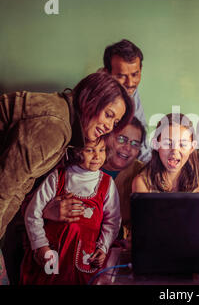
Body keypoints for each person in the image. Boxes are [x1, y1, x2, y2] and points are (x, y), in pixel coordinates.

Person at [0, 72, 132, 241]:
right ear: (92, 100)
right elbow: (5, 187)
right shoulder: (56, 126)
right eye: (108, 115)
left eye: (115, 122)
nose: (109, 127)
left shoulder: (67, 124)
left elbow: (20, 188)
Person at [20, 137, 121, 284]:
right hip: (52, 256)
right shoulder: (58, 177)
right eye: (90, 150)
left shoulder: (107, 183)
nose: (97, 156)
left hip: (84, 259)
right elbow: (32, 213)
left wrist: (104, 247)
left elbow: (112, 220)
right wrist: (40, 245)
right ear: (76, 150)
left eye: (102, 150)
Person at [103, 39, 151, 163]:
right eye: (121, 76)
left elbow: (140, 138)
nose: (130, 83)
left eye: (135, 74)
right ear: (106, 73)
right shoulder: (94, 94)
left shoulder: (129, 91)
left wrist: (153, 169)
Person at [132, 113, 199, 193]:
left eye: (182, 144)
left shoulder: (196, 184)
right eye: (168, 144)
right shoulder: (142, 183)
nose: (174, 151)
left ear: (192, 147)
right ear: (156, 144)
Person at [102, 116, 146, 242]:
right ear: (108, 137)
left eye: (135, 144)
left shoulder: (143, 173)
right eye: (122, 139)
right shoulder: (86, 162)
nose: (128, 147)